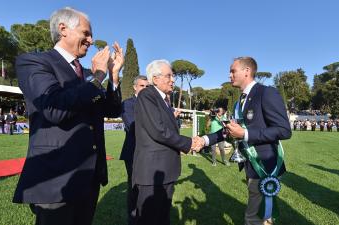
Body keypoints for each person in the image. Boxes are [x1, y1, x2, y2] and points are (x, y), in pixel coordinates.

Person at [12, 7, 123, 225]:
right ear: (63, 29)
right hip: (56, 177)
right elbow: (54, 109)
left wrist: (113, 76)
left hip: (89, 176)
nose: (91, 40)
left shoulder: (90, 76)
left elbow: (112, 110)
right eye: (86, 33)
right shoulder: (35, 62)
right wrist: (99, 76)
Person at [131, 59, 219, 225]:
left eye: (173, 76)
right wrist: (190, 143)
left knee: (162, 217)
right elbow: (159, 131)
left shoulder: (164, 100)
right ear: (155, 78)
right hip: (152, 173)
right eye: (169, 76)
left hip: (165, 170)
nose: (173, 80)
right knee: (149, 218)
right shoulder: (147, 95)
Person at [225, 57, 291, 225]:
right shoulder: (239, 102)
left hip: (264, 166)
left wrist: (246, 134)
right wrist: (204, 139)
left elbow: (284, 130)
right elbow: (234, 130)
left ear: (247, 71)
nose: (229, 75)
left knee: (254, 217)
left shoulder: (266, 92)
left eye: (233, 71)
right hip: (250, 163)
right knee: (261, 215)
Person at [119, 75, 149, 225]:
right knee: (134, 187)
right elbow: (133, 125)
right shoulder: (127, 104)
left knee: (148, 187)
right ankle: (133, 220)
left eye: (147, 86)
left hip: (151, 152)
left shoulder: (152, 104)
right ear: (135, 87)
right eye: (142, 86)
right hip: (133, 152)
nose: (145, 89)